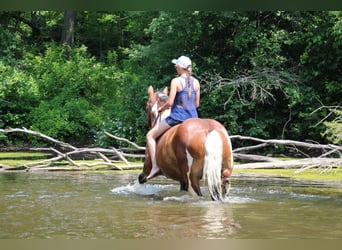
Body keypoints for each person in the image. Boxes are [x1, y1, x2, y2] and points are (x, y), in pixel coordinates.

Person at [146, 55, 200, 180]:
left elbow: (170, 103)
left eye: (176, 65)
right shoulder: (196, 82)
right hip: (193, 119)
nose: (175, 67)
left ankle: (155, 166)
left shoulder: (175, 81)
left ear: (180, 67)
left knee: (150, 135)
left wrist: (161, 109)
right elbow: (197, 104)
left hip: (177, 117)